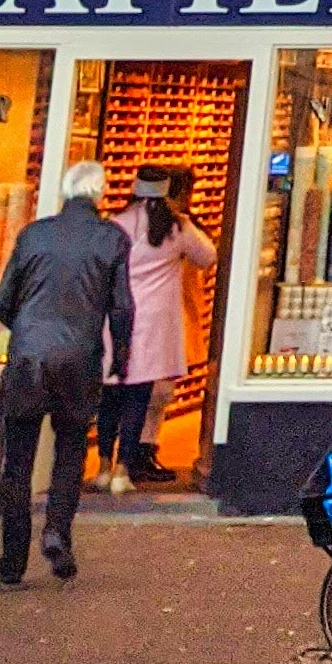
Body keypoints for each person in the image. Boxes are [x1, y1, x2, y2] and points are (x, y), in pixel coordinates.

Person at [0, 159, 133, 584]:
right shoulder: (111, 239)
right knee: (71, 451)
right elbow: (122, 307)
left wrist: (27, 334)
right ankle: (57, 532)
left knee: (18, 459)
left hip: (28, 360)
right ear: (99, 194)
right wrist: (120, 355)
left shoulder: (33, 234)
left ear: (65, 192)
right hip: (78, 359)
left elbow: (2, 301)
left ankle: (12, 563)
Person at [100, 163, 216, 487]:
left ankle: (104, 465)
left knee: (112, 393)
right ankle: (128, 466)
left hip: (117, 317)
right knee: (142, 393)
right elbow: (207, 257)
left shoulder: (116, 225)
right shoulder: (177, 228)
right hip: (155, 324)